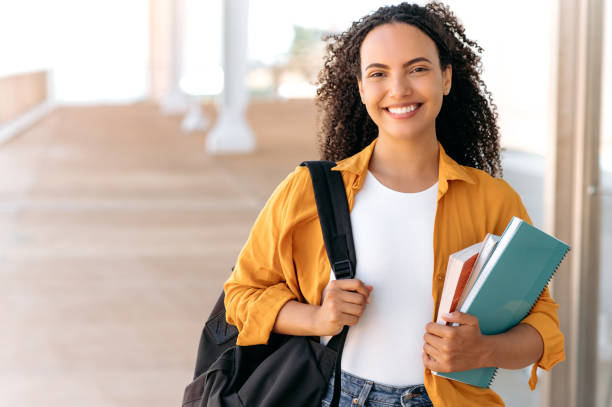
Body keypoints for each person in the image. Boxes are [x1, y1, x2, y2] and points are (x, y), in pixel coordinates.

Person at [223, 2, 565, 406]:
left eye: (418, 69)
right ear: (362, 88)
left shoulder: (492, 200)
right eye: (378, 73)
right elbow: (242, 295)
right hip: (335, 395)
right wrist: (318, 318)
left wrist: (484, 350)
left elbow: (541, 323)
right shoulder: (308, 191)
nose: (399, 89)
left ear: (446, 78)